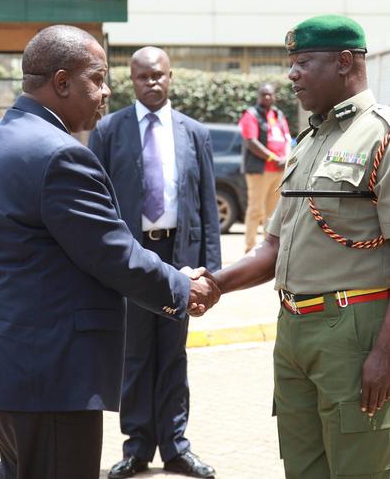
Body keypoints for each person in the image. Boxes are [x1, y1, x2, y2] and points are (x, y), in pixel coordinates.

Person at [0, 25, 220, 479]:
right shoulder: (60, 155)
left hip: (2, 362)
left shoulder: (0, 137)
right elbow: (111, 251)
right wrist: (180, 284)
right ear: (61, 82)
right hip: (47, 375)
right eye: (97, 78)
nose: (106, 90)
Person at [210, 15, 390, 478]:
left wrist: (384, 350)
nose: (291, 74)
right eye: (291, 63)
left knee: (358, 467)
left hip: (352, 332)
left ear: (345, 62)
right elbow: (274, 247)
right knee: (303, 467)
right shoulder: (309, 141)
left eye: (303, 62)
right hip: (294, 328)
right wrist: (213, 285)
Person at [90, 47, 220, 479]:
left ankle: (176, 447)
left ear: (171, 77)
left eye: (159, 75)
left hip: (179, 258)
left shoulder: (194, 132)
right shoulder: (109, 130)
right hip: (133, 258)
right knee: (135, 355)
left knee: (173, 355)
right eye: (143, 77)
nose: (152, 83)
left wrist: (211, 274)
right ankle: (137, 448)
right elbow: (100, 205)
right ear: (131, 79)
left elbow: (205, 205)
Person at [238, 83, 291, 252]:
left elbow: (287, 138)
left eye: (270, 94)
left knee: (273, 213)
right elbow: (251, 142)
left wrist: (286, 157)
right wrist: (273, 157)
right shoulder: (251, 115)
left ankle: (267, 249)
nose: (267, 97)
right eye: (264, 94)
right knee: (256, 210)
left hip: (279, 170)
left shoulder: (278, 114)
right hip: (260, 171)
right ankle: (250, 247)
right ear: (258, 96)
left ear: (274, 96)